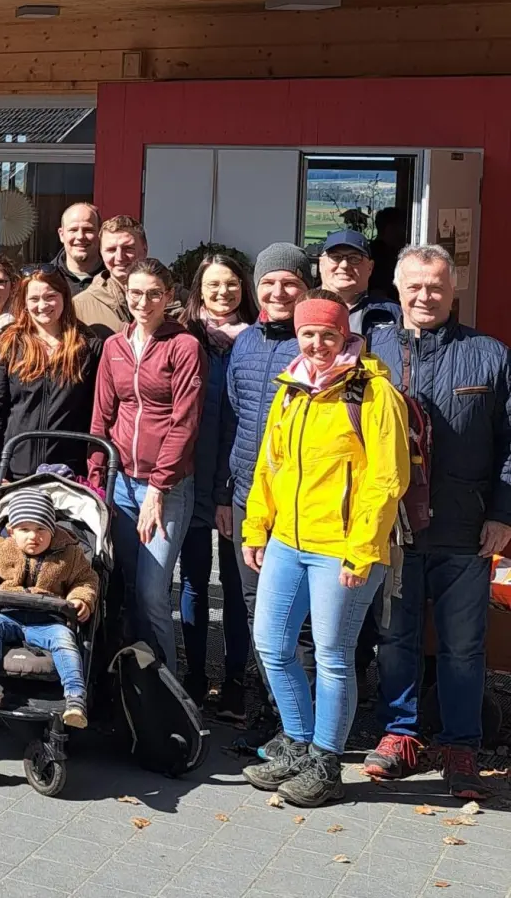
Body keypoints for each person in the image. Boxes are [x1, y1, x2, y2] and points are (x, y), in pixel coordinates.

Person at [241, 296, 408, 808]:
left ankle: (326, 761)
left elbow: (387, 479)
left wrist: (362, 549)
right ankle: (296, 742)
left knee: (334, 655)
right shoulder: (291, 389)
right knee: (272, 644)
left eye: (327, 335)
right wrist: (256, 526)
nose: (316, 345)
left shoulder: (375, 393)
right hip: (289, 542)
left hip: (344, 547)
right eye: (308, 335)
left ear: (344, 335)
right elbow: (269, 465)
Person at [365, 245, 511, 800]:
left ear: (454, 291)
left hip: (467, 530)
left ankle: (460, 745)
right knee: (395, 638)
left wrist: (503, 513)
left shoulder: (491, 356)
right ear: (398, 290)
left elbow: (510, 445)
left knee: (464, 645)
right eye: (415, 286)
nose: (425, 296)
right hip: (394, 530)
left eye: (436, 287)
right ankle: (399, 734)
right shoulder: (369, 352)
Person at [88, 258, 204, 671]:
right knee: (126, 585)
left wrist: (158, 487)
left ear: (169, 297)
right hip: (121, 482)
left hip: (166, 487)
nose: (144, 301)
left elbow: (185, 422)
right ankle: (133, 680)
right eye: (136, 293)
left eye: (154, 293)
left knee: (154, 591)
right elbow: (101, 417)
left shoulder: (184, 346)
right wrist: (97, 481)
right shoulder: (114, 347)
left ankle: (167, 688)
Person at [224, 243, 313, 738]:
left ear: (304, 287)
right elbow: (230, 418)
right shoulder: (245, 343)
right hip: (246, 500)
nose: (278, 292)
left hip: (300, 503)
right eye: (269, 283)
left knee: (296, 619)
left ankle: (299, 723)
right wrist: (224, 491)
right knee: (258, 608)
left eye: (289, 283)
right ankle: (267, 711)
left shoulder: (316, 344)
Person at [176, 254, 258, 718]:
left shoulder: (257, 342)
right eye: (213, 284)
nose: (222, 292)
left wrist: (231, 487)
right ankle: (193, 675)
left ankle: (232, 680)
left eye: (230, 284)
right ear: (199, 289)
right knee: (190, 580)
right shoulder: (185, 338)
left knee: (233, 583)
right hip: (190, 476)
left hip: (238, 481)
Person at [0, 488, 98, 728]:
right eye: (24, 529)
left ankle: (76, 698)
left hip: (48, 620)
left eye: (41, 529)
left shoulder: (70, 554)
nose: (33, 536)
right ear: (11, 531)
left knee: (65, 639)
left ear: (53, 530)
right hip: (8, 615)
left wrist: (82, 599)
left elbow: (85, 580)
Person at [0, 267, 99, 488]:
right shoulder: (8, 346)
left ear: (64, 296)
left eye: (50, 297)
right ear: (24, 303)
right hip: (15, 475)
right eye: (34, 298)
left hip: (69, 475)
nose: (42, 306)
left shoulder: (88, 347)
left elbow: (99, 414)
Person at [74, 214, 148, 339]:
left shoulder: (174, 299)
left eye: (128, 248)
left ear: (145, 250)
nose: (119, 257)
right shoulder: (79, 307)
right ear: (101, 253)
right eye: (111, 250)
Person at [318, 229, 400, 336]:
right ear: (321, 264)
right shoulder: (300, 308)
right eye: (335, 257)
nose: (344, 265)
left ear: (370, 267)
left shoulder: (392, 314)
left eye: (354, 258)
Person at [53, 203, 103, 296]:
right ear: (61, 235)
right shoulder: (46, 279)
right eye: (73, 230)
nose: (80, 236)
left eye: (88, 230)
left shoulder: (115, 277)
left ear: (100, 233)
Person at [368, 207, 406, 302]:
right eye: (402, 227)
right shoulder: (381, 256)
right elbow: (378, 291)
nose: (405, 232)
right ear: (390, 228)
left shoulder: (372, 250)